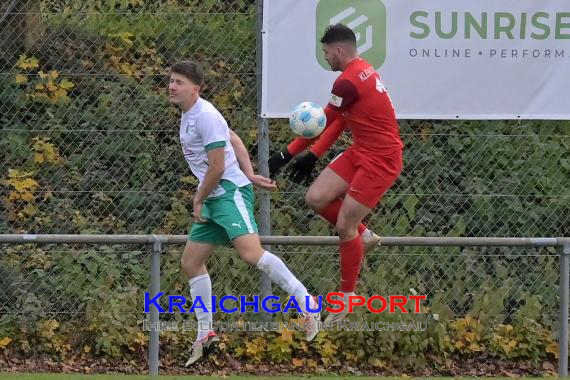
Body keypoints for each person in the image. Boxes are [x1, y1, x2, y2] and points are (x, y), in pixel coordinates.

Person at [168, 60, 321, 366]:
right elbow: (234, 138)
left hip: (227, 192)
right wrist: (251, 173)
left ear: (195, 90)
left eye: (179, 83)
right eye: (171, 81)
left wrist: (200, 198)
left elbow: (217, 167)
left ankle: (307, 301)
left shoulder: (205, 116)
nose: (172, 86)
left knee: (252, 254)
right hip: (216, 194)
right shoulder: (190, 114)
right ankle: (205, 332)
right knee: (191, 262)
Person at [268, 24, 403, 324]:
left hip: (381, 160)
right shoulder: (361, 70)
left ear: (338, 50)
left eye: (326, 52)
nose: (325, 57)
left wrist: (286, 155)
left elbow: (322, 122)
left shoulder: (347, 82)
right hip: (361, 151)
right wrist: (313, 155)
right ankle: (364, 235)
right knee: (316, 197)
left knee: (345, 226)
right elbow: (340, 122)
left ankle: (345, 299)